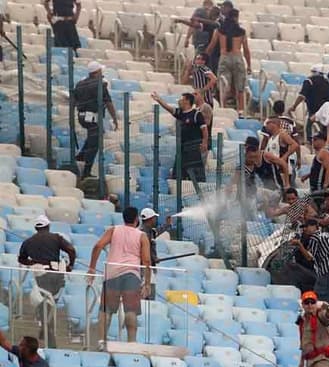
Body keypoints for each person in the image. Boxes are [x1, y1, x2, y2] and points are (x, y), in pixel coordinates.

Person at [88, 207, 152, 349]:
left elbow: (98, 246)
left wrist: (91, 267)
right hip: (131, 273)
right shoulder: (141, 236)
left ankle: (101, 342)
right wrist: (147, 283)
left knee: (107, 310)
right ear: (136, 220)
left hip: (112, 272)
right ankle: (131, 343)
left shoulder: (113, 230)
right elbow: (147, 261)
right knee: (131, 310)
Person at [18, 215, 76, 348]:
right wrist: (70, 266)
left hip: (41, 275)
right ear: (48, 226)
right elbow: (71, 250)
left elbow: (21, 259)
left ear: (35, 228)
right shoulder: (56, 238)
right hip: (56, 275)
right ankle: (47, 331)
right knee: (49, 303)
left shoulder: (28, 241)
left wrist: (32, 262)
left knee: (44, 303)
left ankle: (47, 330)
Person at [74, 61, 118, 179]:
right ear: (97, 72)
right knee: (95, 143)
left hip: (82, 116)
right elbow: (108, 103)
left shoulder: (79, 84)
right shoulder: (100, 85)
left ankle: (80, 156)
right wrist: (114, 118)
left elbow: (75, 100)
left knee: (94, 137)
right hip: (92, 117)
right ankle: (86, 171)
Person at [151, 91, 208, 182]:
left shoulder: (196, 114)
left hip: (193, 149)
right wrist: (159, 100)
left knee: (196, 176)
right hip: (181, 149)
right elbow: (168, 108)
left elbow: (204, 129)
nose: (179, 101)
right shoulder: (180, 113)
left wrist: (205, 142)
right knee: (178, 175)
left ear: (187, 101)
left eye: (182, 99)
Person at [205, 8, 251, 115]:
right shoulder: (241, 32)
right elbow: (246, 50)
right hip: (237, 57)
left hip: (224, 57)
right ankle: (240, 111)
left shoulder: (219, 31)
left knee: (224, 85)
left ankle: (223, 108)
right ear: (236, 17)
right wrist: (249, 65)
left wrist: (204, 57)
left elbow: (211, 46)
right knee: (240, 87)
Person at [288, 64, 329, 143]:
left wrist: (294, 106)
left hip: (313, 109)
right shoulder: (328, 82)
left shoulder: (309, 81)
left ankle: (310, 142)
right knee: (323, 128)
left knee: (309, 127)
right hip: (326, 110)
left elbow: (302, 96)